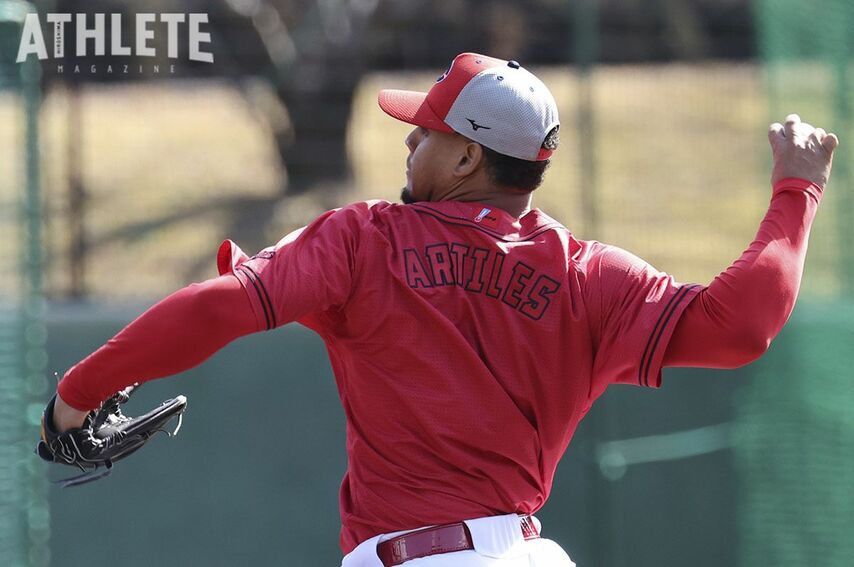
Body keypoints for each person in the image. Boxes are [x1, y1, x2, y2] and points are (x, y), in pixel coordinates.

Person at [50, 53, 838, 566]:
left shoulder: (366, 240)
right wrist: (796, 192)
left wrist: (76, 393)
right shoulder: (591, 276)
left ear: (467, 155)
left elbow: (222, 308)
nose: (408, 142)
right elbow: (744, 325)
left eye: (424, 129)